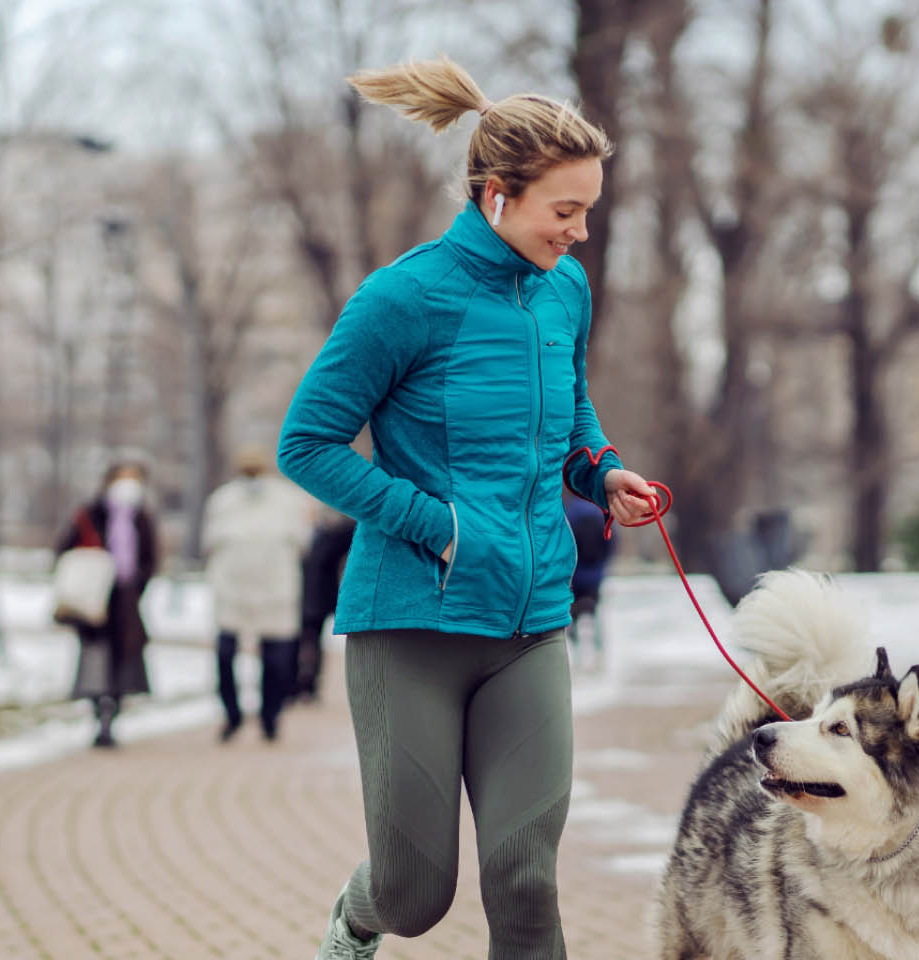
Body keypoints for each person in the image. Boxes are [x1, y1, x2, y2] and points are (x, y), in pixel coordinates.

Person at [276, 56, 659, 960]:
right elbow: (309, 444)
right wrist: (437, 525)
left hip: (531, 621)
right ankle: (356, 918)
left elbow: (566, 406)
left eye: (589, 211)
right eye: (564, 211)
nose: (581, 233)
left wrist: (598, 469)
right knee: (416, 894)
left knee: (526, 881)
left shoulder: (564, 289)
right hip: (412, 620)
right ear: (496, 194)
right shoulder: (404, 297)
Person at [202, 446, 312, 742]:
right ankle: (232, 714)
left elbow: (302, 541)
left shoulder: (288, 499)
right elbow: (210, 542)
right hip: (232, 588)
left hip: (275, 587)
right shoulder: (223, 500)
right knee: (226, 654)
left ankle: (270, 716)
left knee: (276, 659)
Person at [55, 462, 157, 748]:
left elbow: (150, 558)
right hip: (95, 598)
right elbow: (64, 549)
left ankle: (113, 712)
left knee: (124, 657)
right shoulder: (91, 513)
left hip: (127, 597)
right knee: (95, 658)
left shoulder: (141, 516)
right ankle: (99, 714)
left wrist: (137, 586)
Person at [296, 507, 356, 702]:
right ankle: (299, 683)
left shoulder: (334, 534)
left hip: (318, 597)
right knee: (300, 640)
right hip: (299, 595)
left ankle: (309, 684)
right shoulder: (307, 537)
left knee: (312, 639)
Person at [563, 490, 614, 672]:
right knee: (596, 613)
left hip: (574, 576)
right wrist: (603, 565)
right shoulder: (601, 512)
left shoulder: (571, 512)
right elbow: (611, 542)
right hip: (595, 574)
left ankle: (576, 655)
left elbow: (564, 543)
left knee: (573, 616)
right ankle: (599, 653)